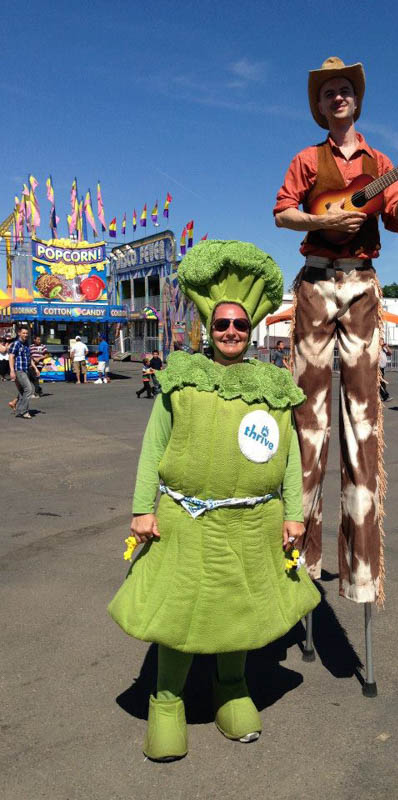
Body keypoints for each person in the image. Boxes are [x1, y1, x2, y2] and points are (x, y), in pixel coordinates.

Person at [108, 240, 319, 761]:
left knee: (238, 612)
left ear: (251, 330)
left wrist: (295, 514)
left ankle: (231, 689)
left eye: (240, 325)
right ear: (210, 324)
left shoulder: (275, 385)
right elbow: (153, 445)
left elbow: (290, 456)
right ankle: (166, 701)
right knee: (178, 615)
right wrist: (142, 507)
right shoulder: (181, 377)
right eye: (222, 323)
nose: (230, 332)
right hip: (185, 520)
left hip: (253, 523)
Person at [273, 57, 398, 605]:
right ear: (319, 106)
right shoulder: (305, 159)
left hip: (362, 283)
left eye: (345, 90)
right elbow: (283, 213)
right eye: (328, 93)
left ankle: (362, 571)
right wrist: (323, 221)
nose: (337, 98)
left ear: (356, 101)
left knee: (362, 419)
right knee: (307, 420)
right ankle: (302, 558)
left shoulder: (381, 161)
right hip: (316, 284)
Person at [8, 326, 39, 420]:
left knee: (22, 391)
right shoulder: (16, 344)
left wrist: (35, 368)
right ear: (19, 333)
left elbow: (30, 359)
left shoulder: (26, 345)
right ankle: (23, 411)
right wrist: (12, 370)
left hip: (25, 370)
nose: (25, 335)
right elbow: (11, 357)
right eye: (23, 333)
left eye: (26, 333)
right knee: (29, 389)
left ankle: (19, 409)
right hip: (19, 370)